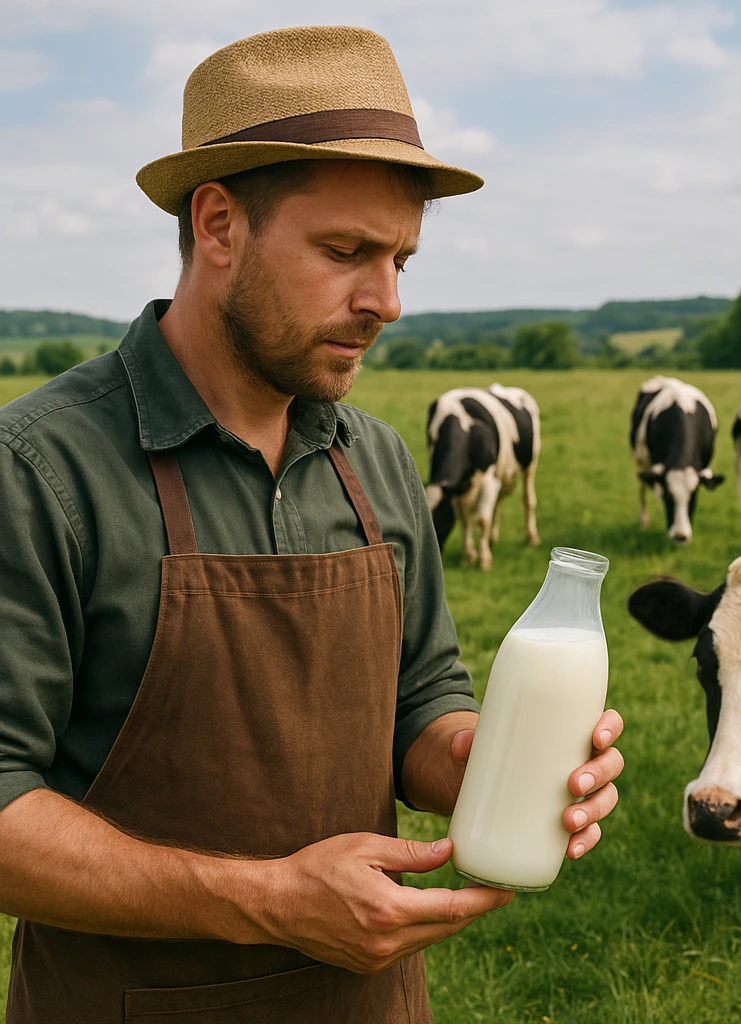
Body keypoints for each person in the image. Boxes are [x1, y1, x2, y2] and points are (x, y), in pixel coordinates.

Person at [0, 25, 624, 1024]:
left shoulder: (373, 459)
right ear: (218, 226)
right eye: (345, 252)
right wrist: (268, 900)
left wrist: (480, 762)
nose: (385, 300)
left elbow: (419, 700)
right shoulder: (38, 469)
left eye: (401, 260)